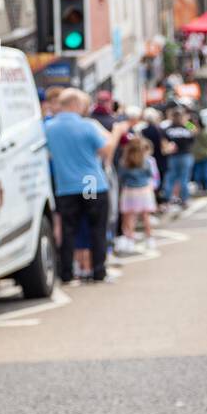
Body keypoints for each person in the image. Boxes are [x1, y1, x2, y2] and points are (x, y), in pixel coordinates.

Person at [44, 88, 128, 283]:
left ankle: (66, 273)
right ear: (75, 104)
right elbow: (106, 151)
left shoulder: (49, 128)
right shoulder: (88, 126)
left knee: (68, 231)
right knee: (97, 228)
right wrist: (116, 133)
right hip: (90, 183)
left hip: (65, 186)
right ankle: (99, 271)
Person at [118, 137, 158, 251]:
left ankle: (130, 240)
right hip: (144, 191)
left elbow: (121, 177)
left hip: (130, 191)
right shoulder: (146, 161)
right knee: (146, 216)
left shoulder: (124, 162)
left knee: (130, 216)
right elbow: (150, 174)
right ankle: (150, 238)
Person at [161, 106, 195, 210]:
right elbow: (195, 131)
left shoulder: (169, 128)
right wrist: (186, 122)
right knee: (184, 178)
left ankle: (167, 200)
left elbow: (164, 141)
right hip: (185, 155)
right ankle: (184, 199)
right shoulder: (186, 127)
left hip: (173, 156)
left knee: (171, 178)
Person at [190, 113, 207, 193]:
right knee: (200, 173)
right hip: (198, 155)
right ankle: (203, 187)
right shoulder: (193, 131)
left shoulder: (202, 132)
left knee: (205, 173)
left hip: (202, 155)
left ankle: (206, 187)